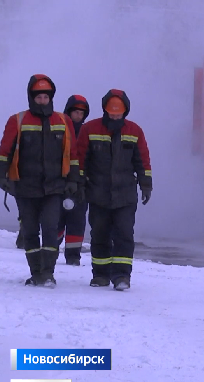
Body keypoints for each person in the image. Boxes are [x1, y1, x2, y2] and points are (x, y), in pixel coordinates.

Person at [0, 74, 80, 287]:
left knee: (50, 228)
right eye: (38, 97)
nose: (42, 101)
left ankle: (48, 273)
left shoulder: (63, 121)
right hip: (25, 187)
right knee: (30, 231)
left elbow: (72, 154)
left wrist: (74, 181)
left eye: (45, 97)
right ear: (31, 97)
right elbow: (5, 151)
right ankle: (36, 272)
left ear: (51, 98)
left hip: (54, 187)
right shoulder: (18, 120)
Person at [77, 89, 152, 291]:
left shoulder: (134, 131)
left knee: (124, 234)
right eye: (112, 114)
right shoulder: (90, 129)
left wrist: (146, 184)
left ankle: (121, 276)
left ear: (125, 112)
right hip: (98, 193)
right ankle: (100, 275)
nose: (115, 117)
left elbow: (142, 160)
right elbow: (80, 159)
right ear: (105, 111)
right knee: (99, 233)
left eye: (119, 114)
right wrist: (78, 184)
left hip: (125, 195)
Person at [57, 95, 90, 265]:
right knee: (56, 218)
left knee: (77, 220)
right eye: (75, 112)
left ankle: (73, 256)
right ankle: (51, 250)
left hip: (81, 183)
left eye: (81, 113)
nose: (78, 116)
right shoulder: (58, 129)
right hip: (58, 180)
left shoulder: (88, 133)